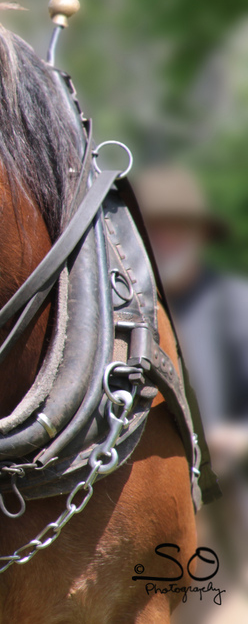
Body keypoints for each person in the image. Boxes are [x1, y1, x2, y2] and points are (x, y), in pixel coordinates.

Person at [135, 166, 248, 616]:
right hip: (140, 518)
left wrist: (236, 438)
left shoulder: (235, 305)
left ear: (199, 233)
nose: (166, 239)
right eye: (155, 228)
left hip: (224, 511)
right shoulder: (122, 315)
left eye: (177, 226)